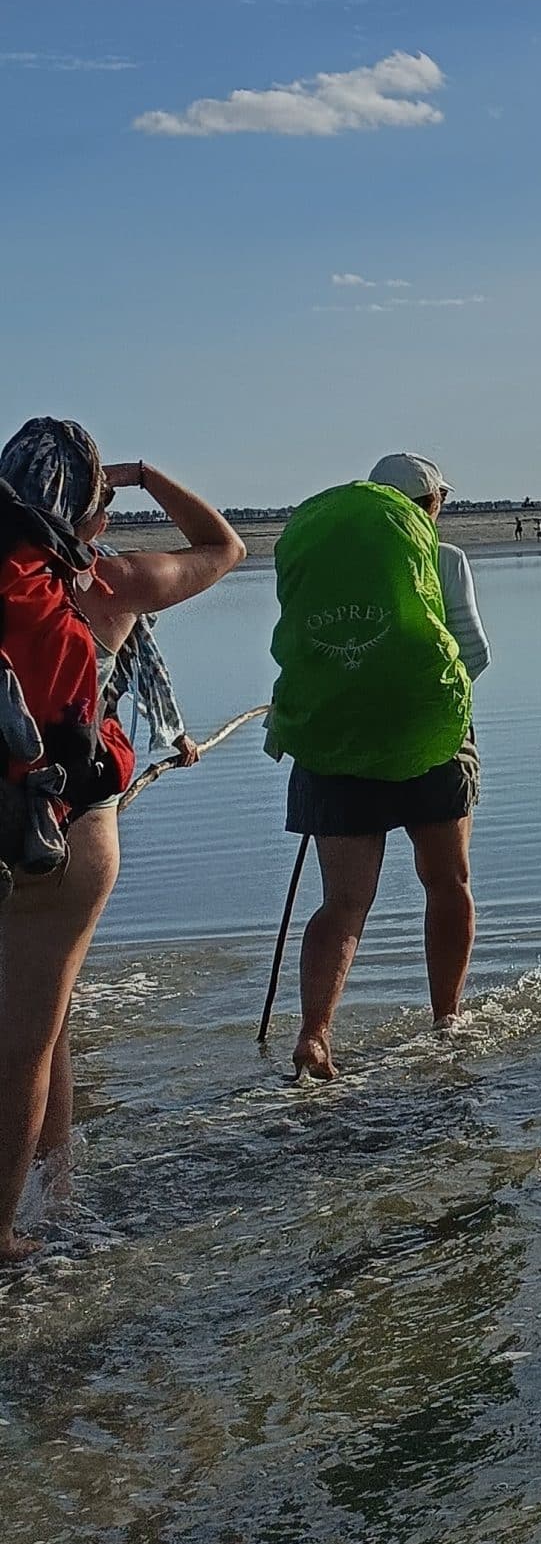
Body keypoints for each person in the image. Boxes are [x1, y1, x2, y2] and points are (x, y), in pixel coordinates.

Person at [0, 423, 240, 1260]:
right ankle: (6, 1230)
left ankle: (53, 1187)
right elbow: (224, 546)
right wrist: (143, 476)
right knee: (29, 1038)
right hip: (70, 838)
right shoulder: (108, 582)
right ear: (90, 511)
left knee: (45, 1015)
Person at [272, 453, 489, 1080]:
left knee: (343, 902)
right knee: (447, 882)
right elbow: (474, 652)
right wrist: (426, 703)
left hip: (335, 742)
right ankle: (447, 1020)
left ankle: (315, 1035)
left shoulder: (323, 561)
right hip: (431, 742)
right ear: (430, 505)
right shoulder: (444, 558)